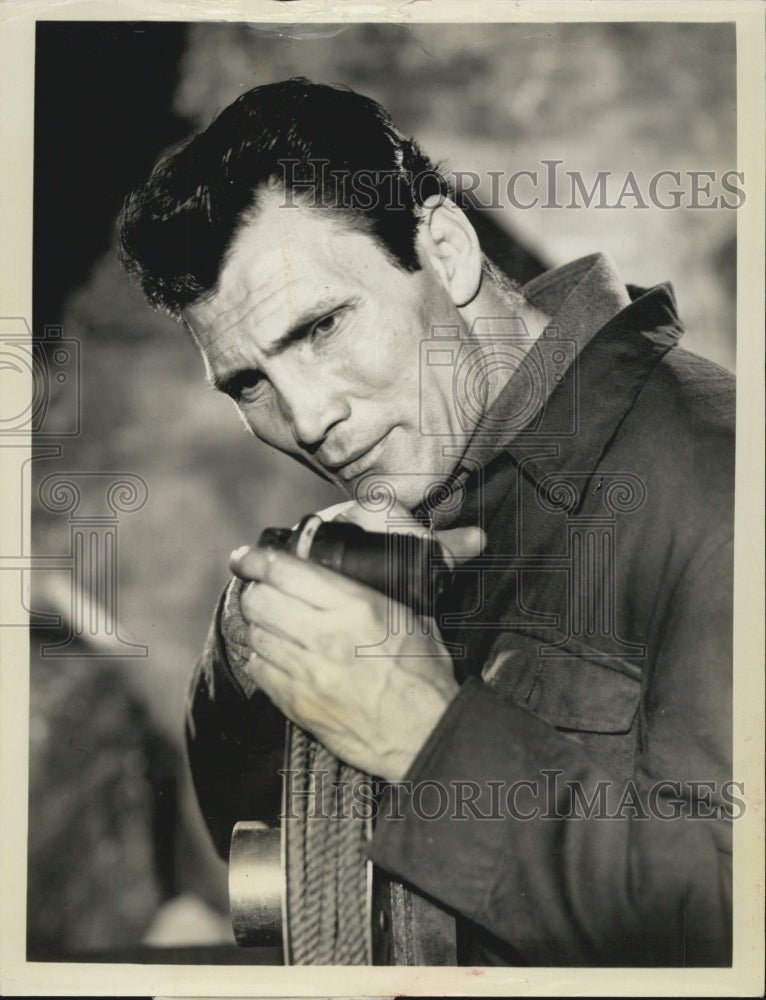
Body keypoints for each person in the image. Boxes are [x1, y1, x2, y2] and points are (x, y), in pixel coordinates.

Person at [118, 78, 734, 967]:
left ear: (444, 251)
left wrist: (424, 738)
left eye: (321, 327)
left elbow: (733, 922)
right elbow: (266, 852)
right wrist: (264, 627)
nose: (306, 418)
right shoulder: (430, 469)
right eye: (248, 383)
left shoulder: (722, 475)